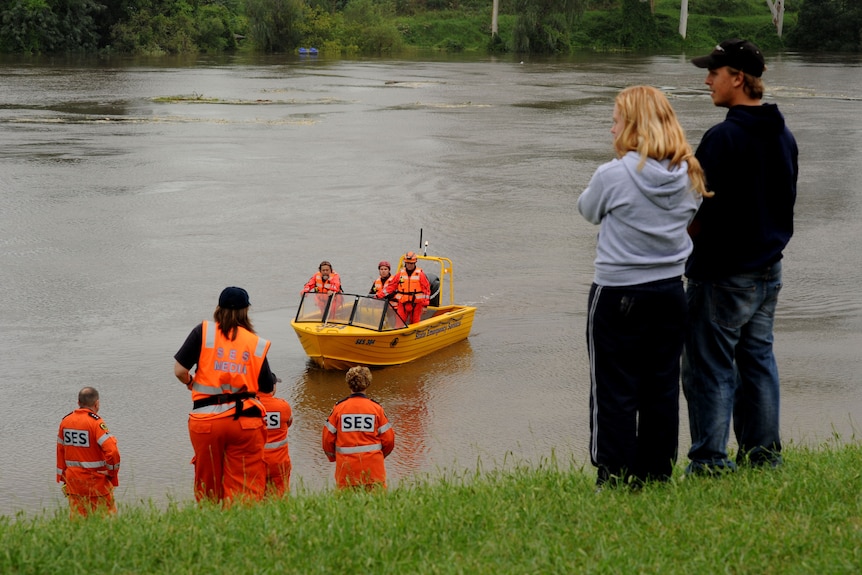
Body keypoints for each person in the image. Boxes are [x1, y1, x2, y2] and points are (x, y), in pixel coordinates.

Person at [577, 85, 709, 488]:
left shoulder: (613, 174)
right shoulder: (690, 172)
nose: (611, 127)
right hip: (670, 291)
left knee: (613, 386)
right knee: (661, 385)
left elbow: (587, 210)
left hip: (617, 292)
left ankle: (611, 473)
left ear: (632, 126)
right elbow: (693, 212)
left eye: (616, 120)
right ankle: (654, 473)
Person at [683, 39, 798, 474]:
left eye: (715, 71)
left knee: (709, 368)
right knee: (758, 363)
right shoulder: (783, 135)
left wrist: (687, 243)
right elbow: (786, 199)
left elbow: (695, 208)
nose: (707, 79)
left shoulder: (722, 137)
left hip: (722, 273)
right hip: (769, 269)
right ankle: (764, 456)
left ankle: (710, 461)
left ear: (738, 78)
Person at [173, 286, 274, 503]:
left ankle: (211, 527)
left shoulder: (204, 331)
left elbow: (180, 371)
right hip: (244, 422)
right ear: (246, 311)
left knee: (207, 485)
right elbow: (267, 387)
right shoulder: (255, 343)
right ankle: (241, 529)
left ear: (218, 308)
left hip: (206, 422)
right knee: (245, 486)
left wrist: (191, 383)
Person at [322, 366, 395, 490]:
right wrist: (379, 456)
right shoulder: (376, 409)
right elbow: (389, 440)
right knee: (377, 507)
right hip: (373, 471)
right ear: (367, 384)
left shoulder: (339, 409)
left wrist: (334, 457)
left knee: (347, 507)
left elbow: (327, 440)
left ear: (349, 384)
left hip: (346, 471)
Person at [56, 387, 121, 518]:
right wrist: (111, 473)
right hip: (96, 482)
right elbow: (112, 451)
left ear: (78, 402)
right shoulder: (95, 423)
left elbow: (60, 451)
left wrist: (63, 478)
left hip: (74, 482)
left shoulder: (65, 421)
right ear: (97, 403)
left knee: (78, 521)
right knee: (106, 521)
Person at [258, 373, 293, 497]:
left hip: (256, 462)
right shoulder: (283, 406)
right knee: (280, 500)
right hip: (279, 462)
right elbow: (288, 423)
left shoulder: (248, 406)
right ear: (272, 387)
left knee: (255, 499)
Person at [375, 251, 430, 325]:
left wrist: (425, 305)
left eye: (411, 263)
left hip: (416, 304)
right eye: (407, 263)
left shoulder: (420, 274)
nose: (409, 265)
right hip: (402, 303)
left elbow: (426, 290)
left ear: (414, 263)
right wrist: (378, 296)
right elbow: (390, 287)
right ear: (405, 263)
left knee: (415, 323)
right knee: (399, 324)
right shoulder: (400, 274)